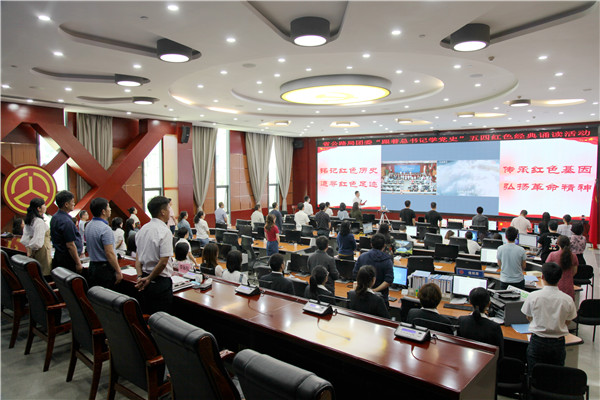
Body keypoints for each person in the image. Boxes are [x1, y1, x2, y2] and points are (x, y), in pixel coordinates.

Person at [521, 262, 577, 373]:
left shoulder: (533, 296)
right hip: (558, 343)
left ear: (542, 276)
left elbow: (528, 316)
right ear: (560, 278)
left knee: (534, 374)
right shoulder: (567, 299)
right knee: (555, 375)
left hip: (538, 341)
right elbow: (568, 321)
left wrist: (539, 322)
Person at [134, 196, 174, 314]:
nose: (170, 212)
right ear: (162, 212)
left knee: (148, 315)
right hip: (160, 283)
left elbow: (138, 258)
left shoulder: (142, 229)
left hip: (144, 279)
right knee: (162, 318)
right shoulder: (164, 231)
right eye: (168, 209)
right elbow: (163, 262)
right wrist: (149, 278)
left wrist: (140, 277)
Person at [86, 198, 123, 290]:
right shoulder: (105, 229)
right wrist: (118, 271)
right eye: (108, 207)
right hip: (104, 270)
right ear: (103, 211)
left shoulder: (88, 225)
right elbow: (109, 253)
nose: (110, 209)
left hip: (92, 266)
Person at [458, 287, 504, 359]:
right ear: (489, 304)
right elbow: (500, 355)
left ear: (470, 302)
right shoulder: (494, 327)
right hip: (487, 363)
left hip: (465, 359)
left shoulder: (461, 320)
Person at [352, 233, 393, 304]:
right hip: (381, 298)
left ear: (371, 244)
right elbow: (388, 280)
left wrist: (365, 289)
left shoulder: (362, 256)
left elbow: (355, 274)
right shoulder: (387, 260)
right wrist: (374, 291)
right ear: (384, 246)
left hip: (362, 295)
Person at [50, 190, 83, 273]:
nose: (74, 204)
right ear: (66, 204)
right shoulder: (66, 221)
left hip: (59, 256)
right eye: (72, 201)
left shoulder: (55, 217)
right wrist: (78, 263)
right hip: (68, 260)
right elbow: (70, 245)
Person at [20, 198, 52, 276]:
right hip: (42, 251)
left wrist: (30, 251)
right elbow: (37, 242)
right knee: (45, 273)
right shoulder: (39, 221)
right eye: (44, 205)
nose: (46, 206)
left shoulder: (31, 220)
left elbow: (25, 238)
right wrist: (32, 251)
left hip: (33, 250)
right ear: (39, 208)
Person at [546, 235, 578, 300]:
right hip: (568, 286)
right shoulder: (573, 256)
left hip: (555, 286)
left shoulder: (552, 255)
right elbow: (574, 272)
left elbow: (546, 269)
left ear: (557, 244)